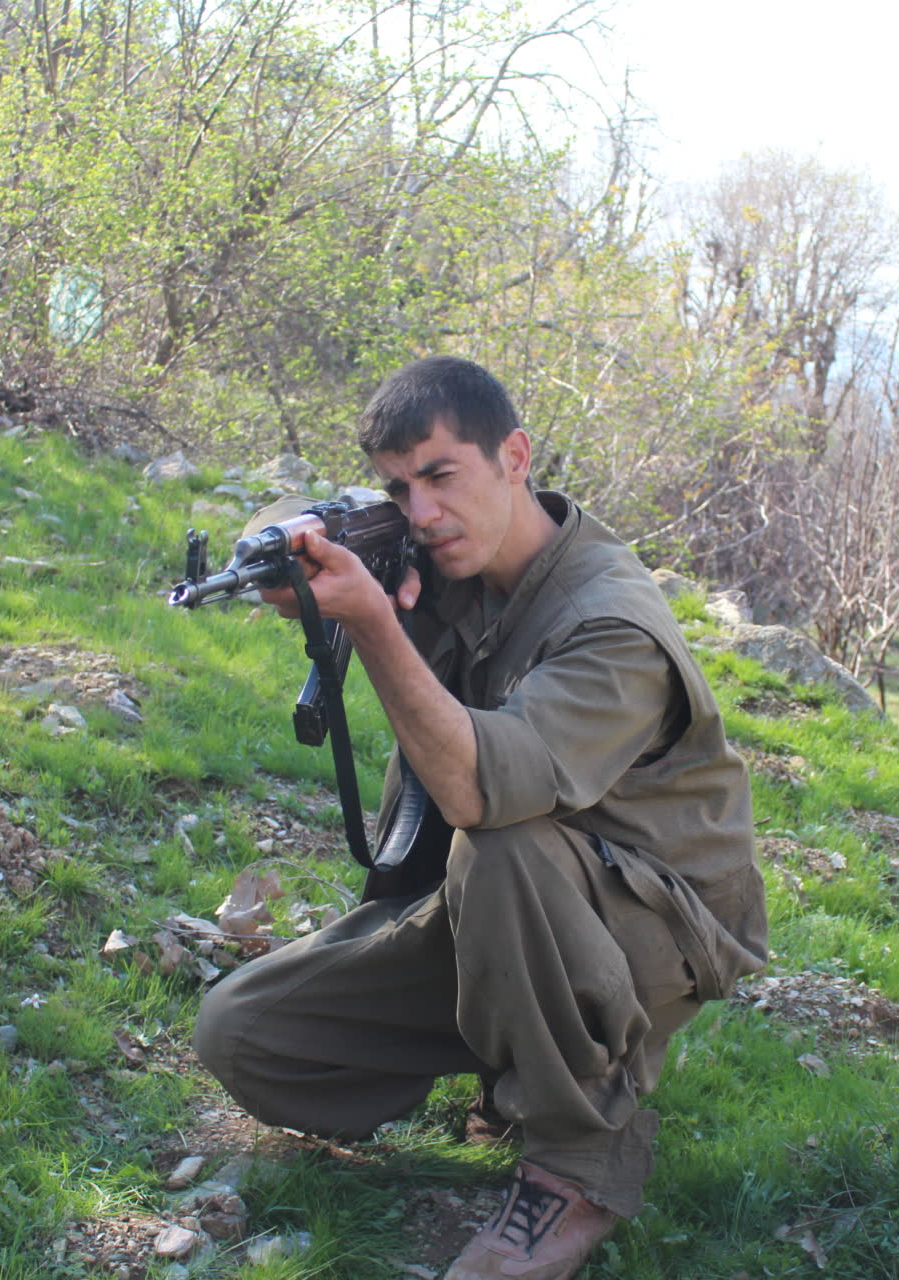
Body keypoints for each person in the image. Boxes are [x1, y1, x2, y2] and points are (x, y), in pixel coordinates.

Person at [192, 355, 766, 1279]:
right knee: (239, 1034)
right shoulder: (445, 550)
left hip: (654, 931)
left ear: (515, 458)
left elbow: (474, 793)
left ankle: (577, 1161)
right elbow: (312, 517)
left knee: (500, 843)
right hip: (496, 915)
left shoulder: (611, 625)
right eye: (398, 489)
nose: (421, 513)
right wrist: (295, 542)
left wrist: (374, 621)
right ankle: (512, 1066)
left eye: (441, 476)